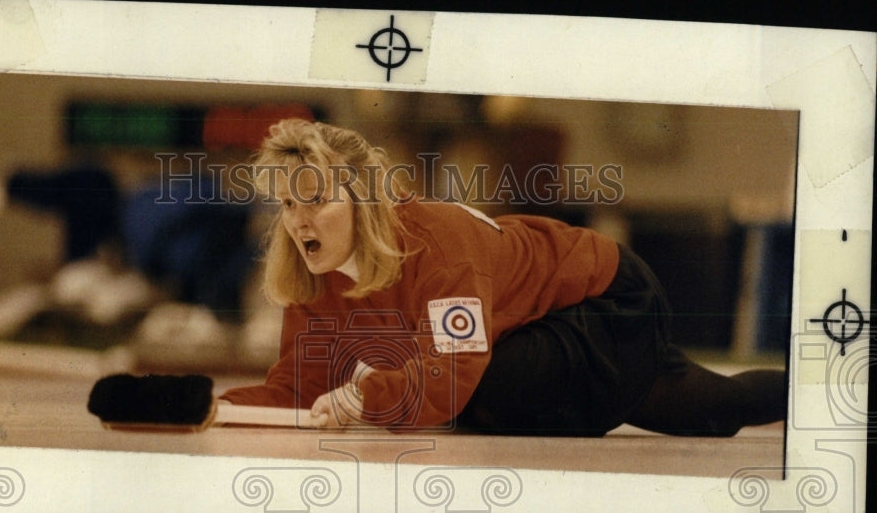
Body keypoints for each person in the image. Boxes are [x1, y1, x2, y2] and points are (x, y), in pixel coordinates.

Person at [218, 118, 787, 436]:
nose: (297, 222)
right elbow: (295, 391)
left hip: (607, 300)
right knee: (713, 409)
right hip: (528, 324)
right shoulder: (313, 278)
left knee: (483, 394)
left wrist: (367, 395)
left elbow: (450, 376)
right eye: (288, 205)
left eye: (314, 200)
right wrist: (214, 407)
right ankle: (811, 394)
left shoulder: (434, 245)